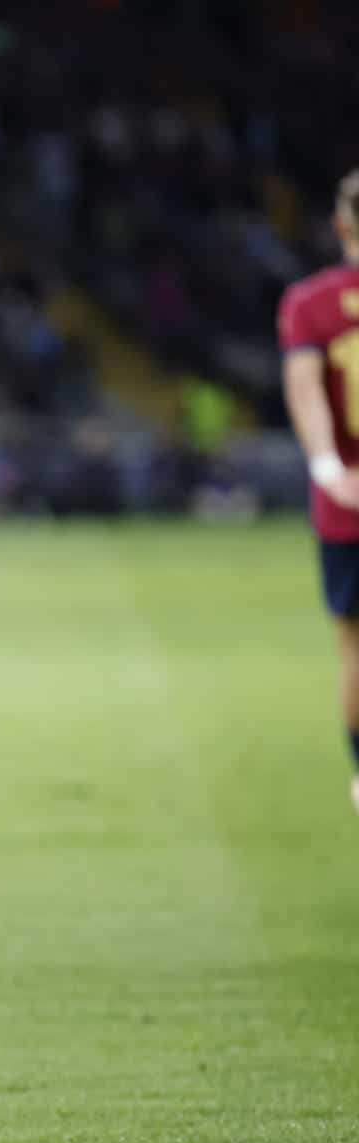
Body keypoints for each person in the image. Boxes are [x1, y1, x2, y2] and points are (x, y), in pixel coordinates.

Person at [278, 168, 359, 815]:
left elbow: (306, 389)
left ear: (341, 225)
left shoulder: (310, 302)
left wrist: (330, 469)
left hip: (349, 501)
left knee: (355, 644)